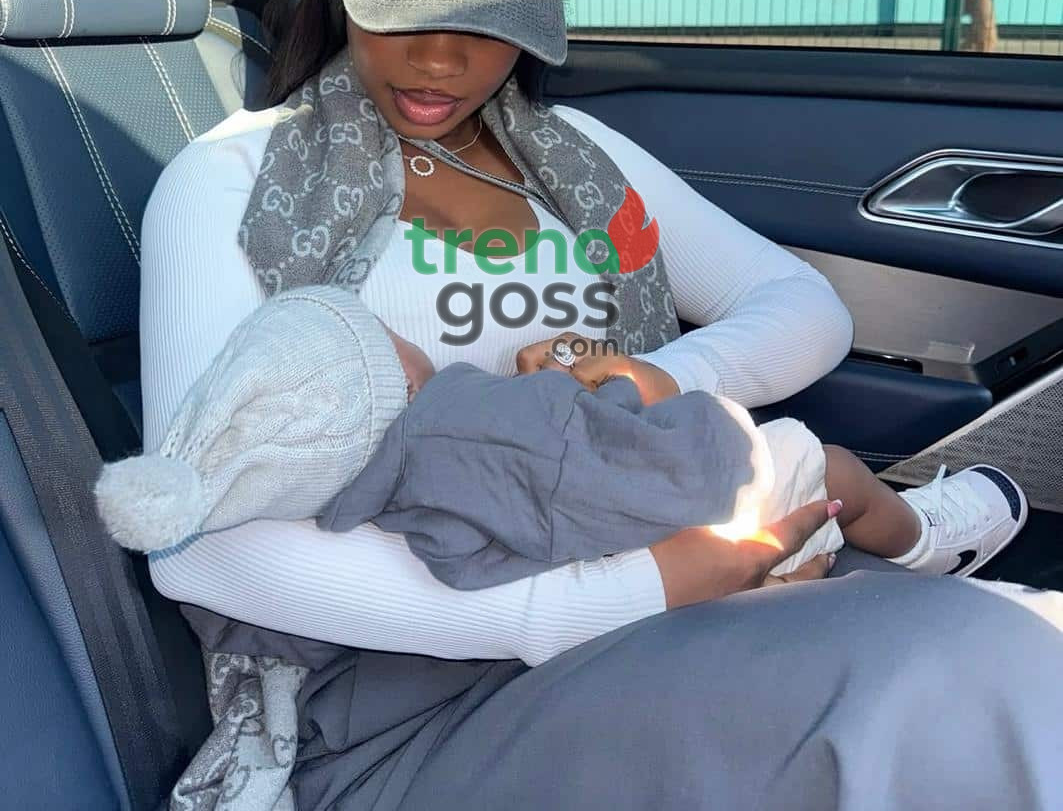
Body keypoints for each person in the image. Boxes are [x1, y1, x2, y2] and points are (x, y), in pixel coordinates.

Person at [142, 0, 1063, 810]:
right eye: (402, 4)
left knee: (1023, 650)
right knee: (967, 685)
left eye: (486, 17)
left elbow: (799, 304)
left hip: (652, 554)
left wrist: (646, 385)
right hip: (411, 680)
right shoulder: (233, 183)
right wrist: (633, 590)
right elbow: (199, 544)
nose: (441, 58)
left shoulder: (573, 164)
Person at [104, 284, 1027, 587]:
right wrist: (611, 387)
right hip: (710, 490)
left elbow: (470, 561)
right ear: (399, 380)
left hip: (621, 555)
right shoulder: (466, 416)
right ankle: (923, 542)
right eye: (386, 335)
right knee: (832, 467)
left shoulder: (378, 498)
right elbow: (602, 450)